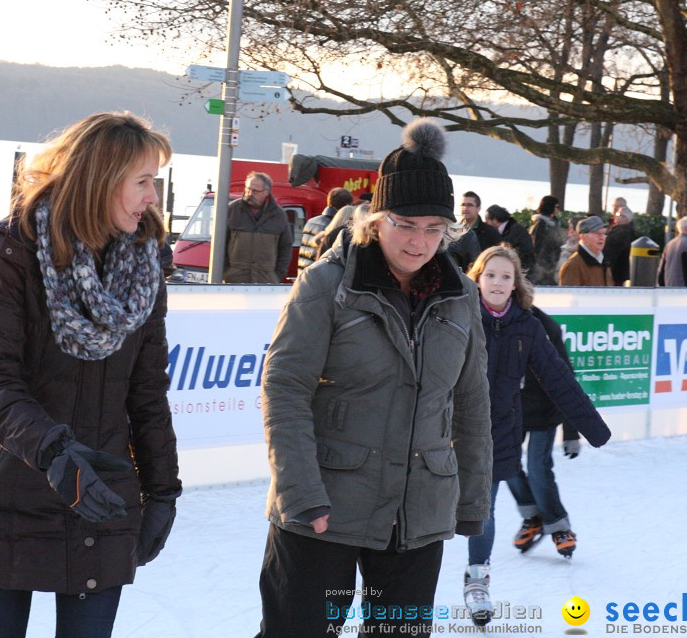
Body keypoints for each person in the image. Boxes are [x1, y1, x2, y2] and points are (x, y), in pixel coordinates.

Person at [0, 112, 181, 638]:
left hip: (100, 502)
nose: (152, 198)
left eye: (154, 183)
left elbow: (147, 392)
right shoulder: (10, 254)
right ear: (101, 180)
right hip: (9, 497)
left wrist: (163, 490)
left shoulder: (144, 266)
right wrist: (53, 450)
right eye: (142, 182)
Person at [256, 117, 492, 637]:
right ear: (376, 220)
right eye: (406, 225)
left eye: (435, 229)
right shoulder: (329, 286)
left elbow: (471, 401)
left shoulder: (461, 297)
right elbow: (284, 387)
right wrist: (301, 495)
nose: (419, 242)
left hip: (417, 515)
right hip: (325, 510)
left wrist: (472, 498)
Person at [463, 246, 610, 626]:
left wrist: (591, 429)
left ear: (516, 285)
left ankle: (477, 579)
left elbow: (559, 378)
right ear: (476, 277)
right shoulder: (456, 316)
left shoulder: (529, 327)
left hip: (499, 432)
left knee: (484, 507)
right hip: (448, 431)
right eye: (490, 275)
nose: (497, 282)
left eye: (505, 277)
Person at [507, 306, 585, 557]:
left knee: (538, 468)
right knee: (504, 464)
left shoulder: (543, 326)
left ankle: (559, 525)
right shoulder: (485, 321)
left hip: (544, 409)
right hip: (507, 410)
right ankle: (533, 516)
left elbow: (566, 378)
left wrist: (571, 432)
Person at [224, 171, 293, 283]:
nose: (250, 194)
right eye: (248, 189)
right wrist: (226, 272)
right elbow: (220, 244)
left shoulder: (279, 215)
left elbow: (285, 247)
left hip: (266, 282)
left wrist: (277, 275)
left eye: (255, 191)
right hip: (235, 281)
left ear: (266, 192)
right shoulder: (232, 210)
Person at [298, 186, 352, 271]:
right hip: (317, 274)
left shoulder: (311, 221)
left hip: (304, 271)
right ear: (346, 206)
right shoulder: (334, 227)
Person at [559, 216, 614, 286]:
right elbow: (568, 295)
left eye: (604, 233)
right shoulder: (573, 266)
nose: (602, 237)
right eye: (597, 233)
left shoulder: (603, 261)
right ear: (583, 237)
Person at [485, 204, 536, 275]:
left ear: (495, 220)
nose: (486, 224)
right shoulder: (509, 230)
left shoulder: (517, 231)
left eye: (487, 221)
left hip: (522, 274)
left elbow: (525, 253)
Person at [657, 216, 687, 287]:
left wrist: (662, 284)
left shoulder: (669, 244)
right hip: (686, 287)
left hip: (669, 287)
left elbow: (661, 268)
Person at [528, 195, 563, 286]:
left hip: (553, 263)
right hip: (543, 266)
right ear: (550, 206)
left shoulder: (554, 222)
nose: (558, 209)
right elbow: (536, 246)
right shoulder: (541, 224)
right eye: (557, 206)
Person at [605, 207, 636, 286]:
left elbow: (611, 248)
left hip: (617, 272)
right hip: (620, 271)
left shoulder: (622, 232)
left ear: (625, 218)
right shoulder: (621, 230)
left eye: (618, 214)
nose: (616, 216)